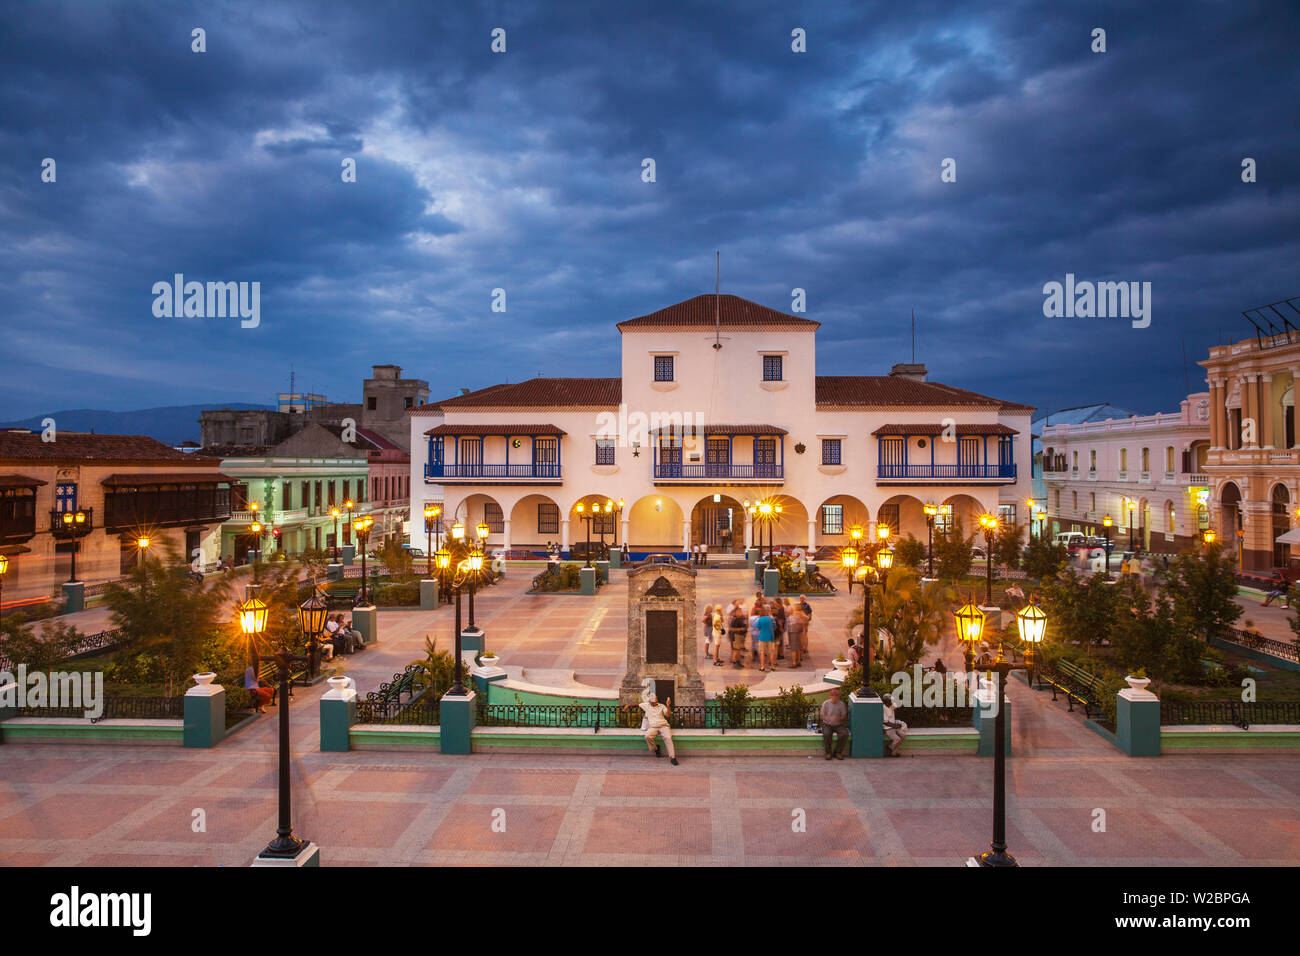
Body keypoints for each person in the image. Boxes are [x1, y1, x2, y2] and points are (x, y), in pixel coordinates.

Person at [625, 693, 677, 764]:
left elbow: (667, 714)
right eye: (652, 700)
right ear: (649, 701)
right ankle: (656, 749)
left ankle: (672, 757)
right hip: (653, 727)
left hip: (663, 725)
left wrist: (668, 705)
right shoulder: (646, 705)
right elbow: (637, 704)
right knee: (647, 736)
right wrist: (628, 705)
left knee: (668, 737)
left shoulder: (662, 706)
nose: (654, 701)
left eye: (655, 699)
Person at [819, 686, 849, 759]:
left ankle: (838, 752)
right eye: (833, 695)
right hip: (827, 724)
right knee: (826, 734)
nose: (835, 697)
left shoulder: (841, 704)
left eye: (836, 695)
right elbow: (822, 714)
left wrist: (839, 718)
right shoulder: (826, 703)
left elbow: (844, 716)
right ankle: (828, 753)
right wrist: (828, 718)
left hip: (838, 724)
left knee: (844, 734)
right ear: (830, 696)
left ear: (838, 696)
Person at [755, 601, 776, 672]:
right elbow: (774, 627)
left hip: (762, 637)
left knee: (762, 652)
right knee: (771, 652)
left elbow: (758, 627)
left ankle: (762, 666)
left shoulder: (760, 619)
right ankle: (772, 666)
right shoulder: (772, 619)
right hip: (770, 637)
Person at [786, 601, 807, 668]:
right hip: (798, 633)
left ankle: (794, 663)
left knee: (793, 649)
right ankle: (798, 661)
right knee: (797, 647)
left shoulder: (792, 617)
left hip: (793, 633)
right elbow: (802, 623)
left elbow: (788, 627)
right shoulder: (797, 616)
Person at [728, 599, 748, 668]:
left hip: (739, 635)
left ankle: (736, 661)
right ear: (736, 612)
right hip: (735, 636)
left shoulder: (740, 618)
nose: (741, 612)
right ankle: (736, 662)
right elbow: (730, 628)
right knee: (736, 650)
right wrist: (740, 629)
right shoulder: (734, 619)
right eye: (740, 611)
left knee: (737, 649)